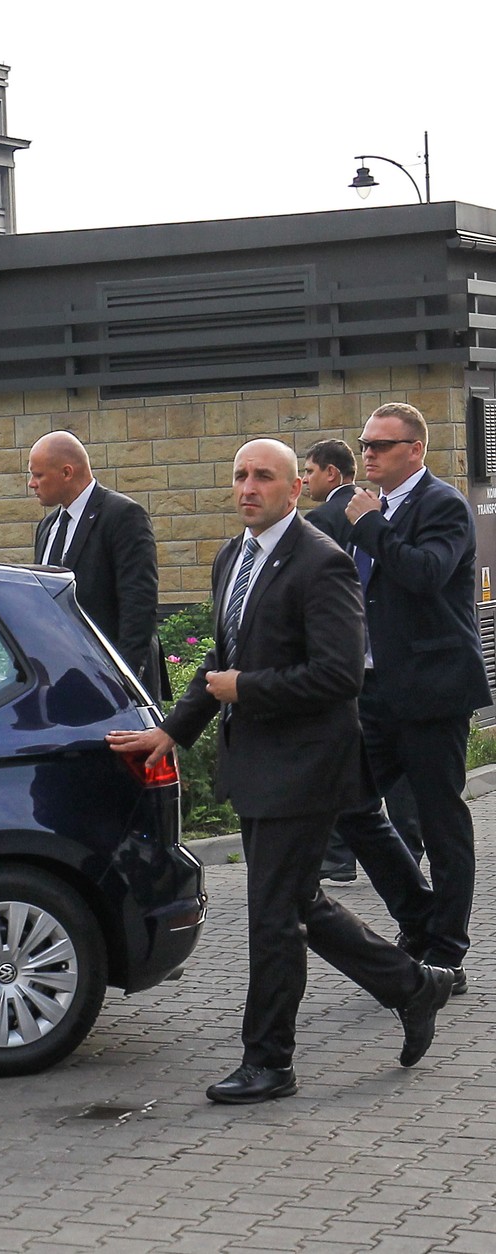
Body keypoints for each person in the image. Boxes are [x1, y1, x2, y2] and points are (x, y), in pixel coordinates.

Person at [107, 439, 452, 1105]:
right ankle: (414, 986)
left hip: (308, 767)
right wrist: (172, 732)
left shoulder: (321, 564)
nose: (248, 487)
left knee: (271, 917)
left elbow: (340, 674)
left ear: (296, 490)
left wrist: (249, 687)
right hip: (258, 765)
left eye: (264, 477)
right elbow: (220, 658)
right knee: (302, 906)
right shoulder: (232, 557)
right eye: (239, 475)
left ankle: (269, 1063)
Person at [333, 403, 489, 997]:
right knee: (352, 804)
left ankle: (447, 951)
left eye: (381, 444)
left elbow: (424, 573)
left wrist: (372, 525)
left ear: (415, 451)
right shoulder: (357, 512)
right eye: (365, 443)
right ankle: (418, 917)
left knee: (440, 818)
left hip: (432, 691)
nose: (367, 453)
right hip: (373, 691)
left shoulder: (442, 505)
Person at [28, 432, 163, 695]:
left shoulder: (123, 516)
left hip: (114, 687)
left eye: (39, 475)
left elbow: (139, 606)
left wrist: (122, 683)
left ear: (67, 473)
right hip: (61, 682)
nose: (32, 484)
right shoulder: (47, 527)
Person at [302, 438, 365, 884]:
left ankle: (338, 853)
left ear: (333, 474)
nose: (304, 480)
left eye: (310, 471)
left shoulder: (320, 521)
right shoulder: (371, 509)